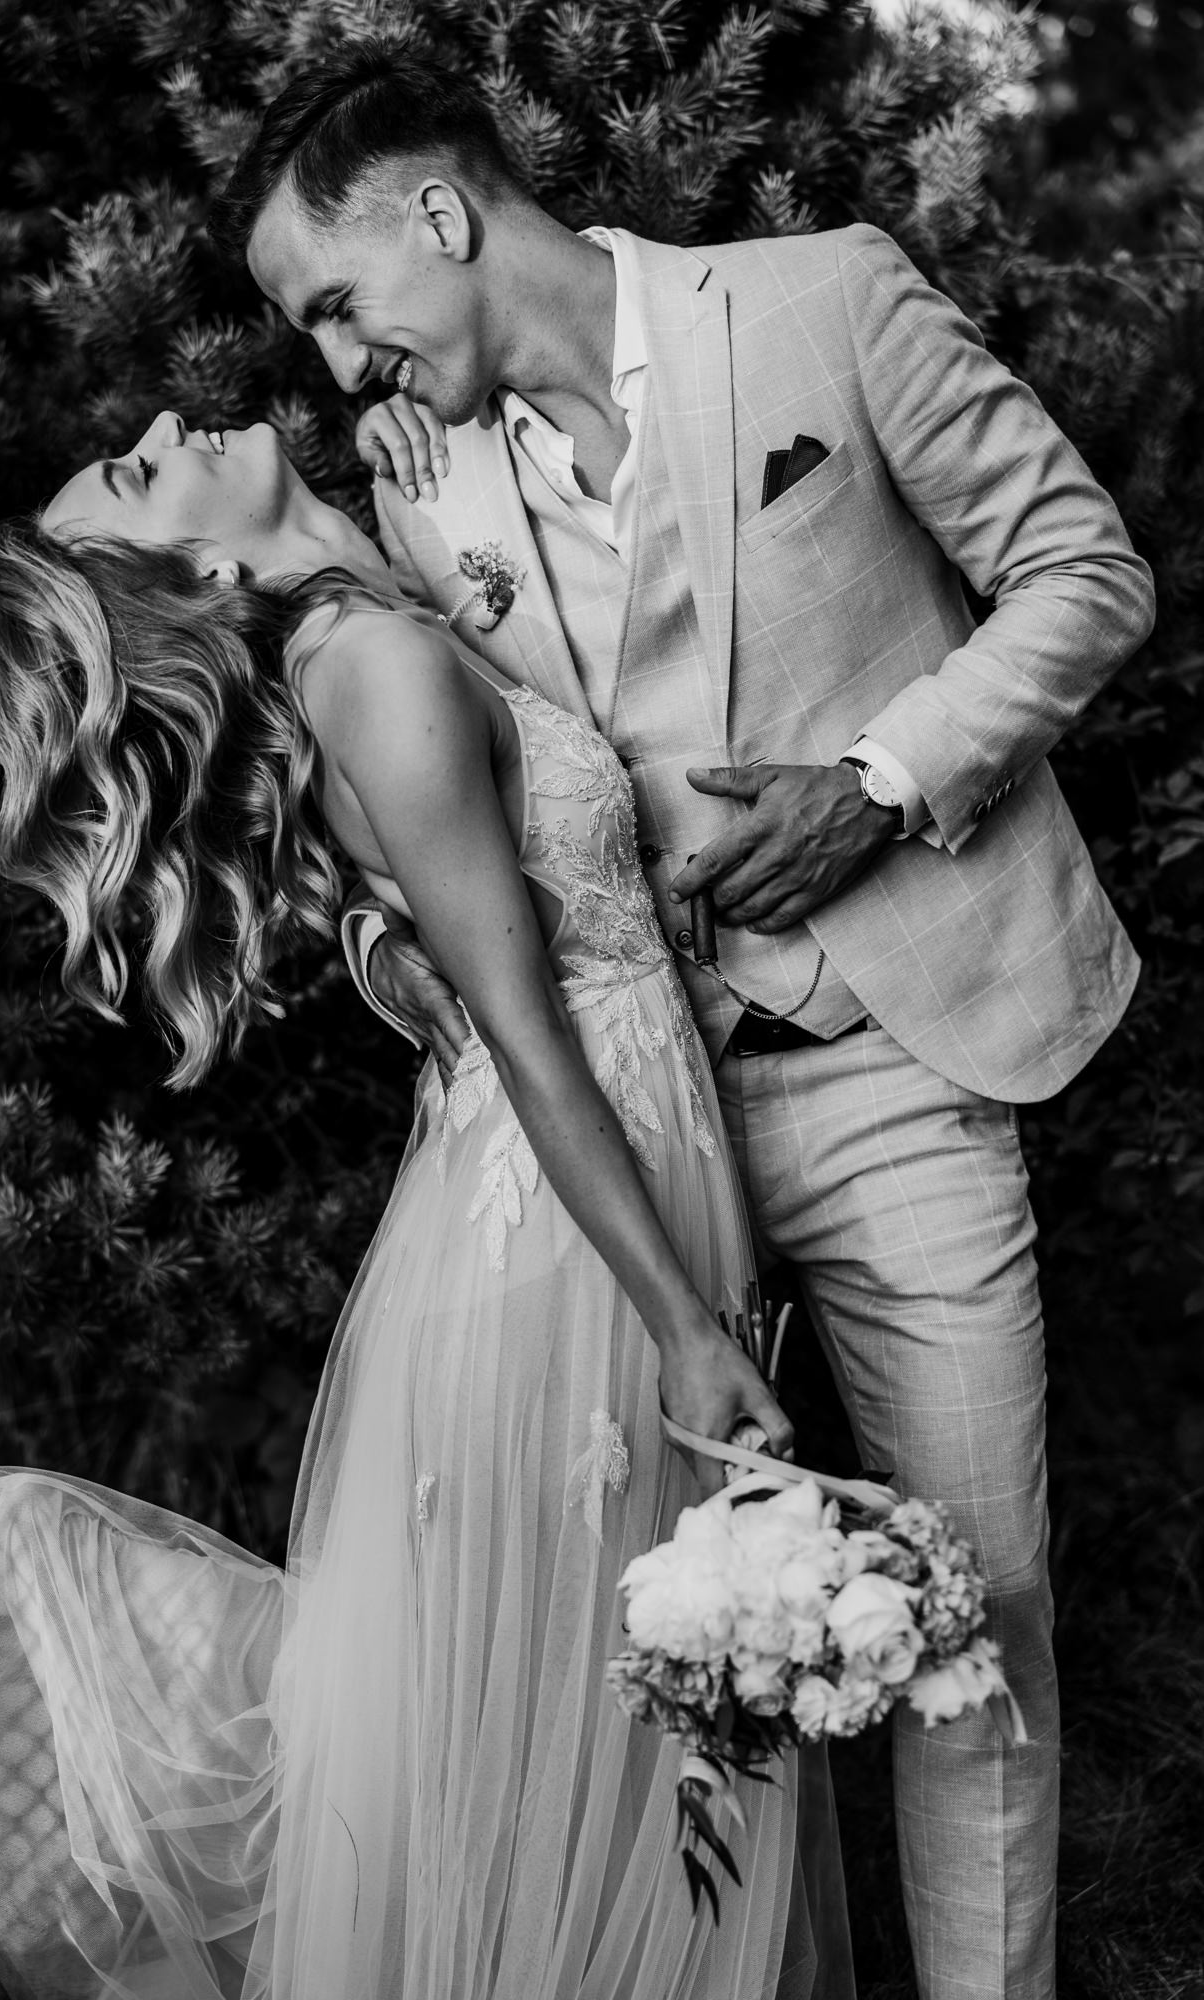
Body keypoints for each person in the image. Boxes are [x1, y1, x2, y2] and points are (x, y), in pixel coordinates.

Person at [209, 41, 1158, 2000]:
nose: (338, 368)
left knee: (971, 1610)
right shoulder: (419, 498)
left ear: (441, 215)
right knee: (616, 1670)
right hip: (626, 1162)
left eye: (338, 305)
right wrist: (397, 961)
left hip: (891, 1069)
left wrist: (878, 785)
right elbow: (426, 818)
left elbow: (1082, 569)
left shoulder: (823, 301)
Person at [0, 412, 852, 2000]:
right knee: (568, 1711)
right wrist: (681, 1322)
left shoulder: (362, 631)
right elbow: (525, 1027)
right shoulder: (370, 666)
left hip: (582, 1189)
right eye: (138, 473)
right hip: (566, 1238)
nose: (161, 424)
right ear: (197, 565)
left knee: (593, 1715)